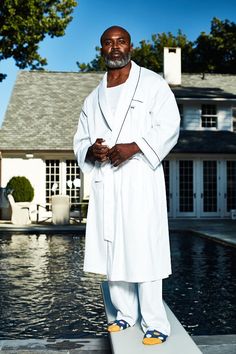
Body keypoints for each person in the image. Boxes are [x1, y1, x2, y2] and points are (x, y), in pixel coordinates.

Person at [74, 25, 180, 345]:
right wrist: (90, 151)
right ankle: (125, 314)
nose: (115, 48)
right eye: (108, 43)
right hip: (107, 181)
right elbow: (80, 139)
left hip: (139, 179)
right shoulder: (93, 98)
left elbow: (170, 125)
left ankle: (155, 322)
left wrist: (134, 147)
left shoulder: (151, 83)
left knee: (144, 247)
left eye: (120, 42)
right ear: (101, 49)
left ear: (131, 46)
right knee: (113, 248)